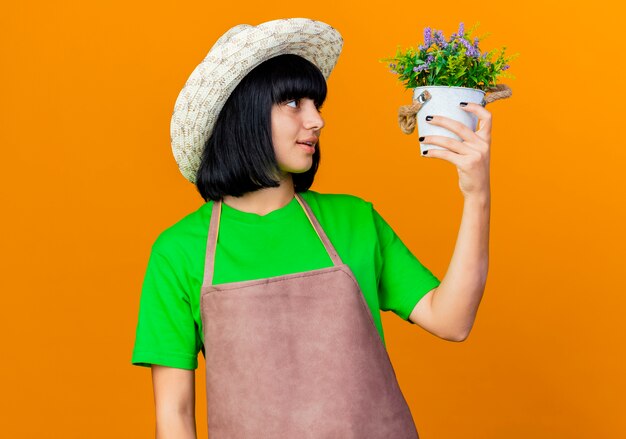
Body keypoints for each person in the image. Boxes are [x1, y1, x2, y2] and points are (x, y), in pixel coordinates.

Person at [131, 18, 491, 439]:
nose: (316, 120)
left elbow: (452, 320)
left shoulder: (354, 220)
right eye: (293, 103)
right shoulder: (179, 252)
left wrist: (477, 195)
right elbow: (174, 414)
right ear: (243, 113)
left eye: (316, 104)